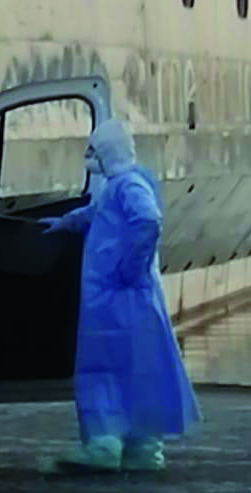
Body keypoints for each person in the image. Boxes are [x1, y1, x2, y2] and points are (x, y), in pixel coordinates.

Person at [39, 118, 202, 472]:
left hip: (114, 301)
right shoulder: (125, 183)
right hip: (132, 301)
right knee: (137, 371)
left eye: (93, 150)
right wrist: (67, 221)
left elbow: (148, 221)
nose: (88, 157)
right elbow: (100, 214)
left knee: (103, 371)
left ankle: (103, 444)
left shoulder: (128, 185)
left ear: (107, 152)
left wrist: (129, 266)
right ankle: (144, 448)